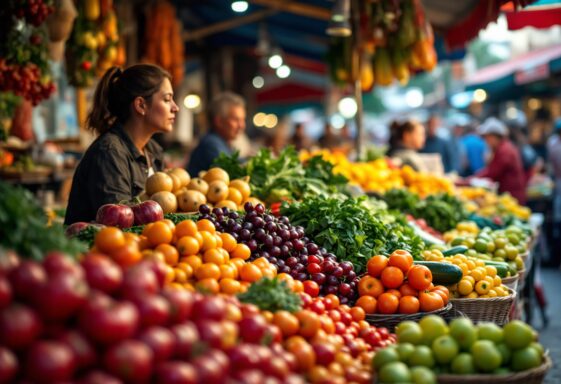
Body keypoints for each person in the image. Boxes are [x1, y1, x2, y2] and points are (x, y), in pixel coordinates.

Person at [64, 64, 179, 224]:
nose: (175, 107)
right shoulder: (109, 152)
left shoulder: (153, 150)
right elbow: (120, 224)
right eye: (167, 99)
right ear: (141, 105)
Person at [187, 92, 246, 176]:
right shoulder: (211, 144)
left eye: (243, 120)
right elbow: (235, 172)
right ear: (219, 121)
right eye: (236, 120)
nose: (242, 125)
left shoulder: (225, 143)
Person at [475, 117, 527, 204]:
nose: (486, 142)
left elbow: (492, 173)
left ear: (494, 136)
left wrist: (469, 180)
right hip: (509, 196)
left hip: (513, 198)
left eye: (487, 138)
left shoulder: (505, 151)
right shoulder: (501, 148)